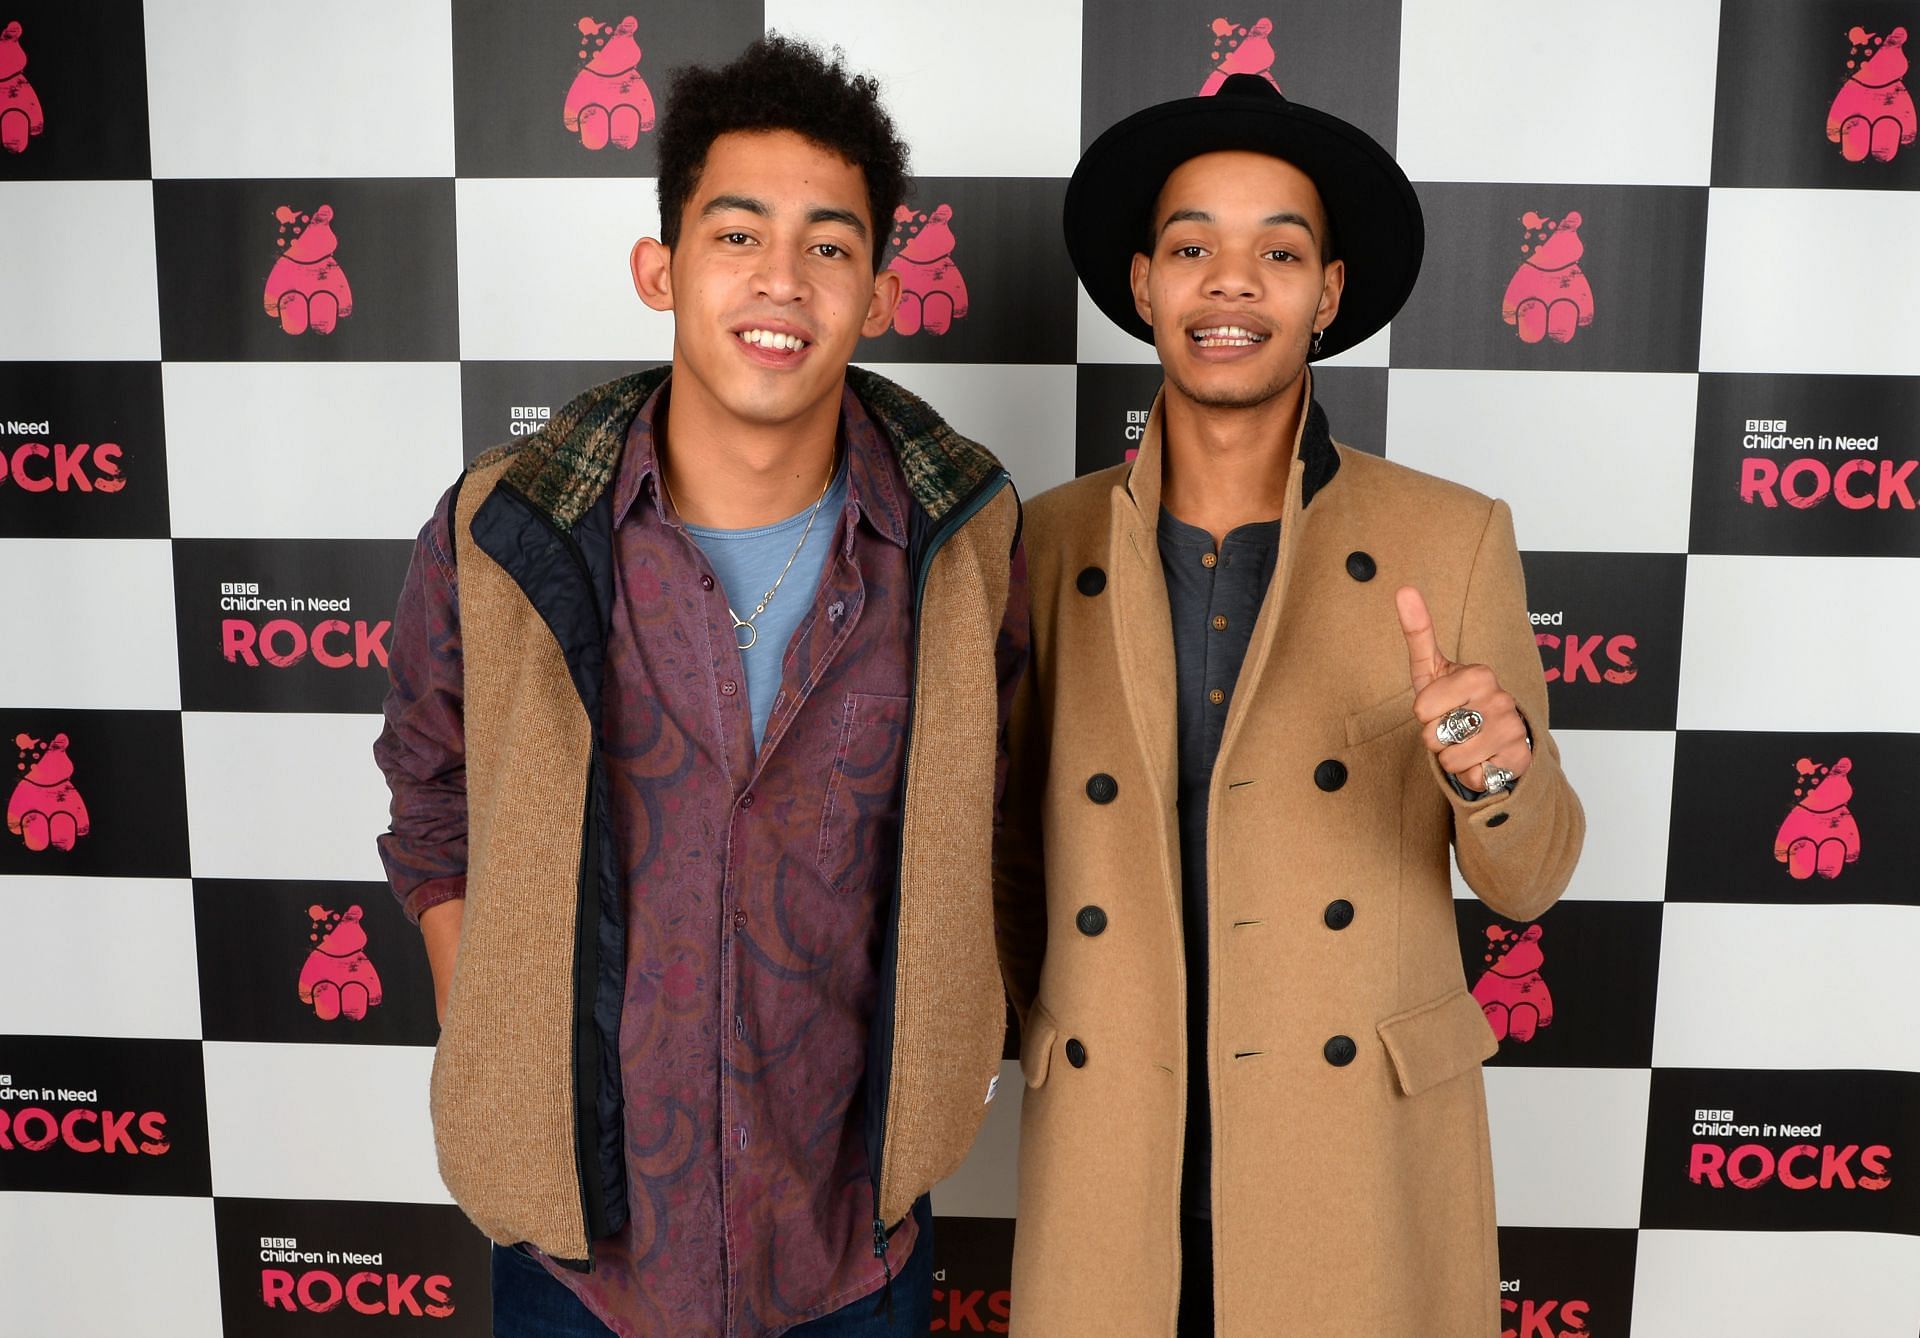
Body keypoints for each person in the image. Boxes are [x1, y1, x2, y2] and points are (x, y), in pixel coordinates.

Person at [373, 35, 1027, 1338]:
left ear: (883, 292)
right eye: (738, 234)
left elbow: (1004, 826)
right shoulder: (507, 530)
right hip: (582, 1266)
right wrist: (507, 1028)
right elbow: (429, 796)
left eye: (830, 244)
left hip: (851, 1252)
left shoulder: (963, 537)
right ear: (660, 269)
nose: (781, 279)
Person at [993, 75, 1585, 1336]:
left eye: (1278, 251)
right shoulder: (1040, 542)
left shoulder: (1453, 536)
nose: (1230, 282)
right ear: (1144, 284)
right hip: (1119, 1154)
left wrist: (1494, 772)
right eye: (1193, 246)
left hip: (1350, 1158)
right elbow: (997, 853)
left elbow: (1529, 881)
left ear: (1326, 295)